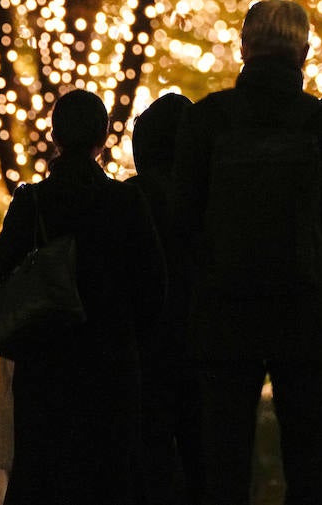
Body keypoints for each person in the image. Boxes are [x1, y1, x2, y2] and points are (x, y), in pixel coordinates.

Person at [171, 0, 322, 505]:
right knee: (311, 457)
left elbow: (182, 221)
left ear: (244, 48)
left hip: (223, 308)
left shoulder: (207, 120)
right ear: (303, 53)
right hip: (304, 307)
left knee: (223, 458)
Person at [0, 89, 166, 505]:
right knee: (107, 480)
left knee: (44, 478)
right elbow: (153, 288)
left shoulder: (33, 203)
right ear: (103, 136)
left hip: (45, 371)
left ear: (55, 135)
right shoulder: (125, 201)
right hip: (110, 369)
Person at [128, 91, 199, 505]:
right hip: (203, 351)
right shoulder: (210, 203)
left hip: (141, 357)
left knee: (147, 467)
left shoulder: (127, 200)